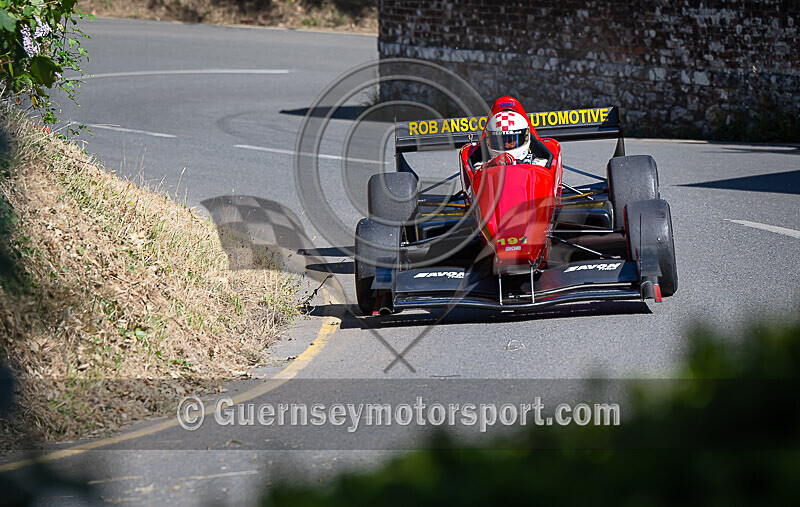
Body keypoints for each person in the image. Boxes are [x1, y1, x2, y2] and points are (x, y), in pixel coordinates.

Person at [482, 96, 553, 168]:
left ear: (524, 138)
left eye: (510, 140)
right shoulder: (481, 166)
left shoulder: (540, 164)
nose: (506, 145)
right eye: (499, 141)